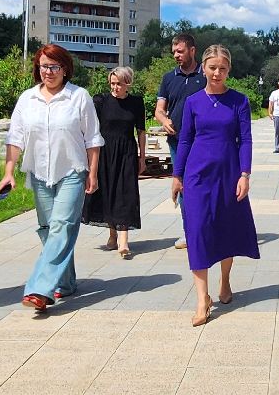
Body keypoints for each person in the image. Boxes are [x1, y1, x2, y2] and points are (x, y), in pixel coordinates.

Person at [1, 45, 102, 313]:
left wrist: (92, 173)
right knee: (49, 229)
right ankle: (65, 283)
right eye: (44, 66)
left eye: (54, 66)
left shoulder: (79, 97)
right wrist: (8, 172)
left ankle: (39, 288)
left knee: (60, 226)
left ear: (65, 69)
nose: (49, 72)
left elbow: (92, 139)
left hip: (72, 171)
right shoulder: (27, 99)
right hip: (39, 174)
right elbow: (15, 138)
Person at [172, 44, 259, 326]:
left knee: (225, 228)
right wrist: (177, 175)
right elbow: (184, 140)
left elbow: (245, 139)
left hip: (229, 173)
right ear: (203, 68)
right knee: (196, 230)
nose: (217, 73)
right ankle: (201, 299)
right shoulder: (193, 102)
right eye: (212, 68)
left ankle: (224, 281)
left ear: (229, 70)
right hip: (197, 174)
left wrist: (245, 174)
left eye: (222, 68)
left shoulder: (239, 101)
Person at [83, 65, 143, 259]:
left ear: (128, 84)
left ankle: (124, 240)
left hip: (127, 152)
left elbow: (141, 131)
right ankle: (112, 234)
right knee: (108, 192)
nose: (115, 87)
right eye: (113, 83)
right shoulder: (100, 101)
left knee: (126, 193)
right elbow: (90, 130)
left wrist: (142, 157)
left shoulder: (136, 102)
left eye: (119, 84)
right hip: (105, 151)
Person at [153, 31, 205, 250]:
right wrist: (164, 120)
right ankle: (189, 232)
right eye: (174, 51)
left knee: (204, 185)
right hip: (177, 142)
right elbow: (159, 110)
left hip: (203, 141)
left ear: (192, 51)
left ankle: (206, 230)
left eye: (180, 51)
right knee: (182, 184)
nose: (176, 55)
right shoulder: (168, 78)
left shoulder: (206, 75)